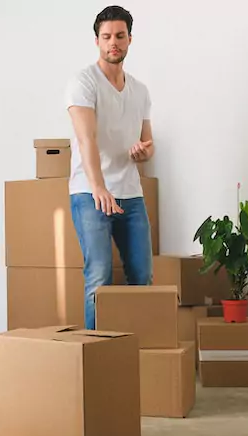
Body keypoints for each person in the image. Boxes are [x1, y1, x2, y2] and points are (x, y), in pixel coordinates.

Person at [65, 5, 155, 330]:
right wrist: (99, 187)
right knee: (99, 276)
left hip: (130, 193)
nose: (112, 42)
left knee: (142, 276)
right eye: (106, 37)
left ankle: (142, 350)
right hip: (90, 193)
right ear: (97, 41)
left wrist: (143, 153)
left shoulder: (140, 91)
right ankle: (95, 356)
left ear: (130, 39)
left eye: (119, 36)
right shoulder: (83, 83)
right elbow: (86, 138)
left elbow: (148, 144)